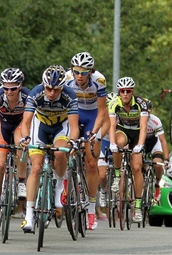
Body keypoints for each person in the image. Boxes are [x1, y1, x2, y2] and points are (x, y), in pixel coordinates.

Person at [19, 64, 79, 232]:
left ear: (62, 88)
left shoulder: (69, 95)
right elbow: (26, 122)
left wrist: (72, 142)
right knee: (36, 168)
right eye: (49, 88)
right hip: (41, 127)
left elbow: (74, 128)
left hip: (61, 126)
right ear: (43, 85)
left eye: (56, 89)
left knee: (60, 153)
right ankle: (29, 216)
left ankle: (60, 184)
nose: (52, 92)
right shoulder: (35, 93)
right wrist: (25, 138)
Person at [65, 52, 110, 230]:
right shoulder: (67, 79)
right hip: (74, 114)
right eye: (77, 71)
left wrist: (95, 132)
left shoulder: (99, 80)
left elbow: (101, 111)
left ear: (90, 71)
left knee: (92, 165)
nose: (79, 76)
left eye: (84, 73)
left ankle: (91, 209)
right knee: (64, 148)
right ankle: (64, 182)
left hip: (92, 116)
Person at [0, 68, 30, 224]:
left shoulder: (27, 96)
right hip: (2, 125)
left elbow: (29, 121)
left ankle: (22, 181)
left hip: (19, 124)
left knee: (20, 143)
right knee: (0, 164)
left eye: (13, 88)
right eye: (6, 87)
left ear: (20, 86)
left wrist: (28, 138)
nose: (9, 92)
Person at [108, 77, 149, 223]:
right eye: (122, 91)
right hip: (123, 130)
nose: (125, 94)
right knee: (118, 143)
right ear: (119, 92)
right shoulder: (114, 103)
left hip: (138, 132)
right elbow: (112, 126)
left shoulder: (141, 103)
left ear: (132, 92)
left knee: (137, 167)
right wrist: (112, 143)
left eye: (128, 91)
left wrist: (140, 145)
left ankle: (137, 207)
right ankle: (118, 175)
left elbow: (144, 127)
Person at [144, 99, 171, 202]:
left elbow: (163, 141)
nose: (147, 112)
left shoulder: (155, 121)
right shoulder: (136, 120)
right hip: (141, 143)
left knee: (157, 164)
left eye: (149, 110)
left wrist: (167, 159)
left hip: (154, 143)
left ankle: (157, 184)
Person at [97, 92, 117, 208]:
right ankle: (103, 191)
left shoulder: (120, 113)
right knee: (103, 175)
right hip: (105, 141)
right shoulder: (102, 113)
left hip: (117, 140)